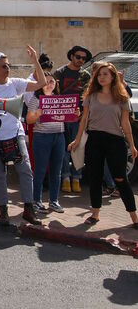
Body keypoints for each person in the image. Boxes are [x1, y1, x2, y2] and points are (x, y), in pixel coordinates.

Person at [0, 47, 45, 225]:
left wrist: (35, 61)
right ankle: (3, 211)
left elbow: (41, 83)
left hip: (15, 133)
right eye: (3, 66)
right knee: (0, 174)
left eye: (8, 66)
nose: (7, 69)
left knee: (25, 170)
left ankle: (28, 209)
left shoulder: (15, 83)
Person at [68, 62, 138, 228]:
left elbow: (125, 123)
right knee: (95, 178)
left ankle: (134, 217)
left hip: (115, 141)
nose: (102, 77)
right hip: (95, 140)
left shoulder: (122, 98)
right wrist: (77, 140)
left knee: (121, 178)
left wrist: (132, 145)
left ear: (113, 76)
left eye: (105, 74)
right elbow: (84, 119)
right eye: (99, 74)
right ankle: (95, 214)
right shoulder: (91, 96)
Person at [25, 71, 67, 213]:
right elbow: (29, 119)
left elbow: (67, 117)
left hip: (59, 136)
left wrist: (75, 114)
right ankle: (36, 201)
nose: (49, 85)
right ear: (41, 85)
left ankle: (54, 201)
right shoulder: (36, 99)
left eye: (52, 82)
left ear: (56, 84)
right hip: (42, 136)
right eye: (46, 82)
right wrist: (38, 113)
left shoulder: (60, 99)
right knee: (40, 170)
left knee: (57, 171)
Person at [54, 45, 91, 194]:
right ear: (71, 56)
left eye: (83, 58)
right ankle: (66, 178)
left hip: (79, 118)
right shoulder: (60, 72)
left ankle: (77, 178)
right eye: (78, 57)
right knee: (63, 150)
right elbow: (54, 94)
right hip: (61, 118)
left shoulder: (86, 75)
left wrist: (83, 113)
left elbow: (88, 96)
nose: (80, 60)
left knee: (78, 148)